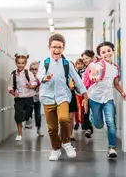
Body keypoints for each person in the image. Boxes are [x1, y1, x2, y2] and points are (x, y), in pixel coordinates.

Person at [37, 33, 88, 161]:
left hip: (62, 96)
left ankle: (66, 143)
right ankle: (56, 149)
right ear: (49, 47)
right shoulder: (44, 63)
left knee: (64, 119)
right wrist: (44, 78)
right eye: (54, 47)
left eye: (59, 47)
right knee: (52, 128)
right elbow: (39, 75)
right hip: (48, 98)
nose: (56, 50)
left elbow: (77, 79)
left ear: (63, 48)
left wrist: (84, 94)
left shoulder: (67, 64)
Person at [87, 41, 126, 158]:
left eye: (109, 51)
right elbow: (93, 70)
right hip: (95, 98)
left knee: (111, 122)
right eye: (103, 52)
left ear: (113, 51)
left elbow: (115, 83)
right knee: (99, 125)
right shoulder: (100, 64)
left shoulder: (115, 68)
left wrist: (122, 92)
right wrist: (93, 75)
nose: (107, 54)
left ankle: (112, 148)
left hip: (108, 98)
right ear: (100, 55)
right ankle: (92, 117)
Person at [8, 54, 37, 141]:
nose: (20, 65)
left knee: (28, 114)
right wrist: (14, 93)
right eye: (19, 63)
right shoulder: (13, 74)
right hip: (19, 98)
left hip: (28, 98)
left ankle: (28, 119)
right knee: (18, 115)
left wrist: (30, 86)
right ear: (16, 63)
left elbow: (35, 83)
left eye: (22, 63)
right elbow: (9, 87)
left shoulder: (29, 73)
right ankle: (19, 134)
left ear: (25, 64)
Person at [29, 61, 44, 137]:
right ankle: (29, 121)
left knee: (38, 114)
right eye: (32, 69)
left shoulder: (40, 78)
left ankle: (39, 128)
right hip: (29, 98)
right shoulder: (28, 77)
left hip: (37, 98)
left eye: (36, 69)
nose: (34, 71)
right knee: (28, 111)